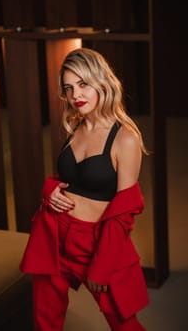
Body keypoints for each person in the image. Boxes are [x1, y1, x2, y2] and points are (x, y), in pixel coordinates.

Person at [20, 47, 149, 331]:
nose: (75, 95)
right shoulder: (75, 128)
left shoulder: (125, 139)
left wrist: (102, 267)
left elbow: (124, 211)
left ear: (101, 82)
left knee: (124, 321)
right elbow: (70, 179)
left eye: (83, 84)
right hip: (54, 232)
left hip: (96, 241)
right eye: (68, 88)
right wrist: (49, 191)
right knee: (45, 322)